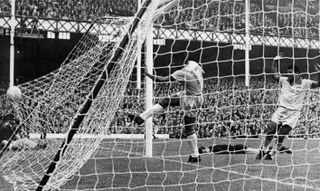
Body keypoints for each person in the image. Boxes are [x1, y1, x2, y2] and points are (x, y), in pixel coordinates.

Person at [128, 60, 204, 163]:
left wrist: (147, 74)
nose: (184, 65)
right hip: (194, 97)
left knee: (189, 128)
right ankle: (141, 117)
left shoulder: (183, 73)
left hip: (190, 100)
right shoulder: (197, 73)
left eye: (185, 64)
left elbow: (162, 79)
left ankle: (195, 155)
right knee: (166, 101)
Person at [256, 56, 320, 160]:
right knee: (271, 130)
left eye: (290, 72)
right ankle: (263, 150)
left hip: (293, 113)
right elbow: (275, 75)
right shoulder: (284, 80)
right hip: (281, 109)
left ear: (297, 73)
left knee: (281, 135)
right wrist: (275, 61)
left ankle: (271, 154)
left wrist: (319, 73)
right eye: (288, 72)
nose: (288, 74)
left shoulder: (305, 83)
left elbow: (318, 84)